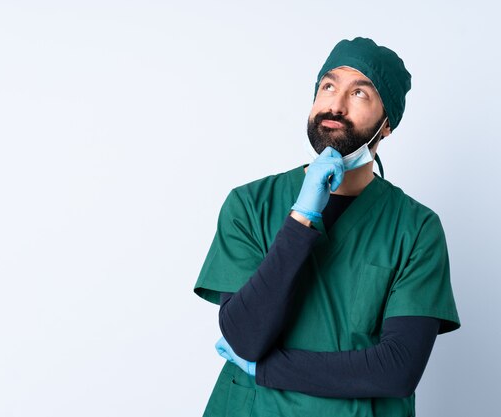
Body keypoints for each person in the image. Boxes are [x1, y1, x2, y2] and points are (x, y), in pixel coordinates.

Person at [193, 37, 460, 417]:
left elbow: (397, 369)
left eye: (360, 94)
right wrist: (301, 218)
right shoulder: (250, 205)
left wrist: (267, 370)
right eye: (328, 87)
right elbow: (245, 338)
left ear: (386, 126)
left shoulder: (415, 228)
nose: (335, 104)